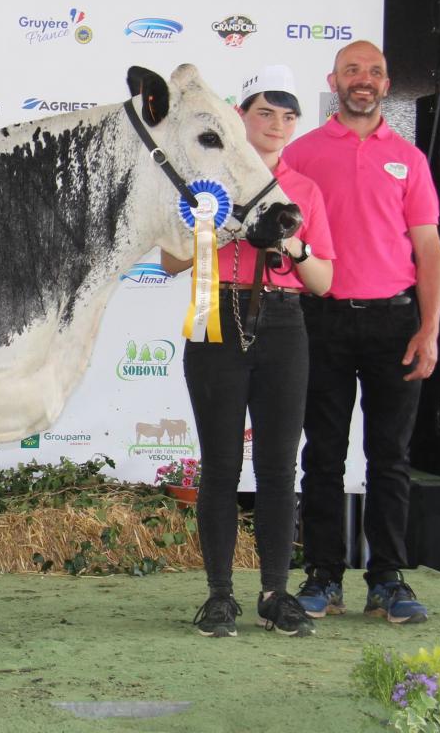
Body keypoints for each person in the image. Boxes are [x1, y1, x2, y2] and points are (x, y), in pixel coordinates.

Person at [161, 65, 335, 638]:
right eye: (265, 113)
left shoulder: (303, 189)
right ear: (242, 116)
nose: (277, 125)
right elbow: (171, 259)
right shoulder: (209, 182)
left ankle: (275, 592)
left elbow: (323, 279)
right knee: (220, 466)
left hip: (283, 322)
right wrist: (232, 229)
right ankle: (218, 596)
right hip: (218, 313)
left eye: (288, 116)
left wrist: (290, 239)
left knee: (279, 467)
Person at [284, 41, 440, 624]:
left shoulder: (410, 159)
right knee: (322, 455)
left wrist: (429, 328)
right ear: (334, 80)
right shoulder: (299, 154)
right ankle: (323, 575)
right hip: (319, 319)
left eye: (375, 72)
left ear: (385, 84)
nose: (365, 80)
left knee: (391, 457)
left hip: (394, 321)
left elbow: (429, 249)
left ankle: (388, 578)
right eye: (353, 70)